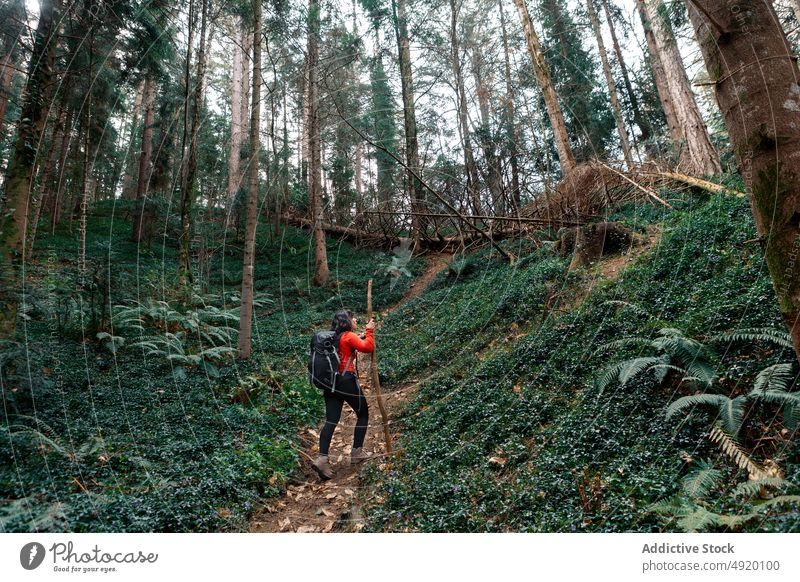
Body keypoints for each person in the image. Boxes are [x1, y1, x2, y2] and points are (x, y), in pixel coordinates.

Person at [312, 309, 376, 480]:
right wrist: (370, 331)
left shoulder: (333, 337)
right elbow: (367, 347)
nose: (355, 320)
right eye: (352, 318)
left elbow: (351, 346)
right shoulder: (348, 336)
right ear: (347, 322)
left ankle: (322, 458)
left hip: (330, 383)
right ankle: (356, 453)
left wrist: (362, 335)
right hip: (346, 381)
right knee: (363, 413)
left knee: (331, 420)